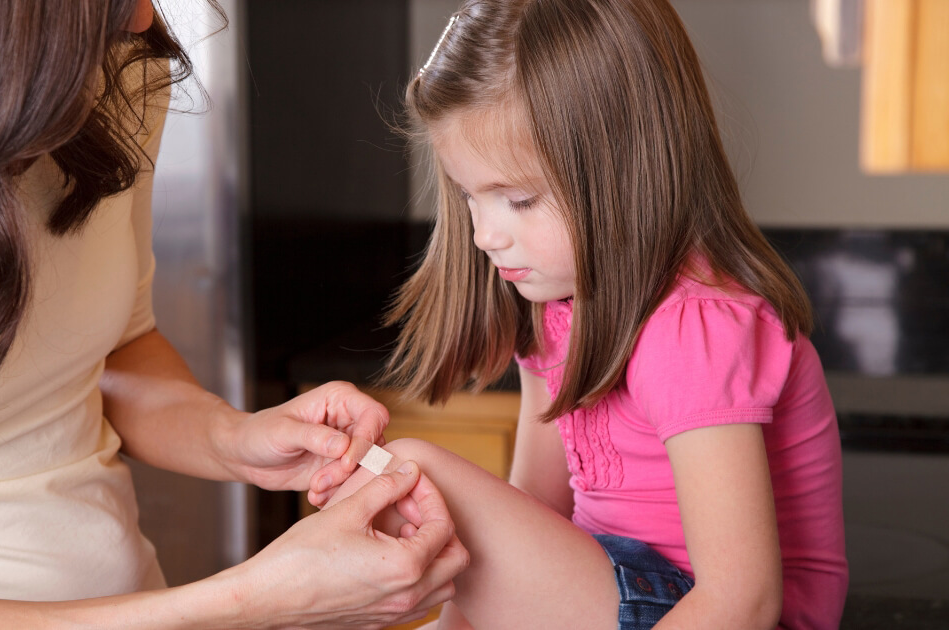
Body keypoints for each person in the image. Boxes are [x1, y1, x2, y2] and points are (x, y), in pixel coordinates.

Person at [0, 1, 467, 629]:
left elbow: (117, 350)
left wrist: (232, 438)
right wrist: (256, 600)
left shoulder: (109, 78)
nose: (143, 20)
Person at [320, 0, 848, 628]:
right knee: (426, 496)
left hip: (709, 609)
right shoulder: (554, 307)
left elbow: (743, 599)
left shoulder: (691, 329)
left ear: (625, 169)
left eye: (518, 199)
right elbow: (530, 519)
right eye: (468, 195)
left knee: (418, 471)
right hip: (620, 583)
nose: (485, 234)